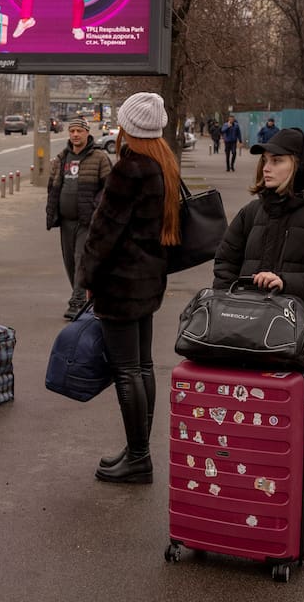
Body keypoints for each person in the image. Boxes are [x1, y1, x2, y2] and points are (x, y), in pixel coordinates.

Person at [80, 92, 180, 485]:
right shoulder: (164, 165)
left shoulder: (130, 169)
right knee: (142, 366)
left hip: (120, 285)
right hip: (147, 281)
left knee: (127, 371)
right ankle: (138, 449)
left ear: (130, 128)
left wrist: (88, 278)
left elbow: (103, 232)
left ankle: (138, 457)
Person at [212, 128, 304, 395]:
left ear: (299, 166)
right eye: (265, 160)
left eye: (277, 161)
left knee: (288, 431)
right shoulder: (251, 213)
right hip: (245, 341)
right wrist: (229, 309)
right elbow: (225, 263)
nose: (267, 168)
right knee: (242, 427)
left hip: (297, 348)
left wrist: (286, 282)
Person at [46, 117, 112, 320]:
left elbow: (109, 187)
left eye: (79, 131)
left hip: (87, 220)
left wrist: (95, 207)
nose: (75, 134)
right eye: (72, 131)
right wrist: (52, 211)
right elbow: (53, 186)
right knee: (70, 262)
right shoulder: (61, 158)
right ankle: (84, 296)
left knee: (80, 259)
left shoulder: (99, 157)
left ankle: (77, 301)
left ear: (87, 133)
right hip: (66, 221)